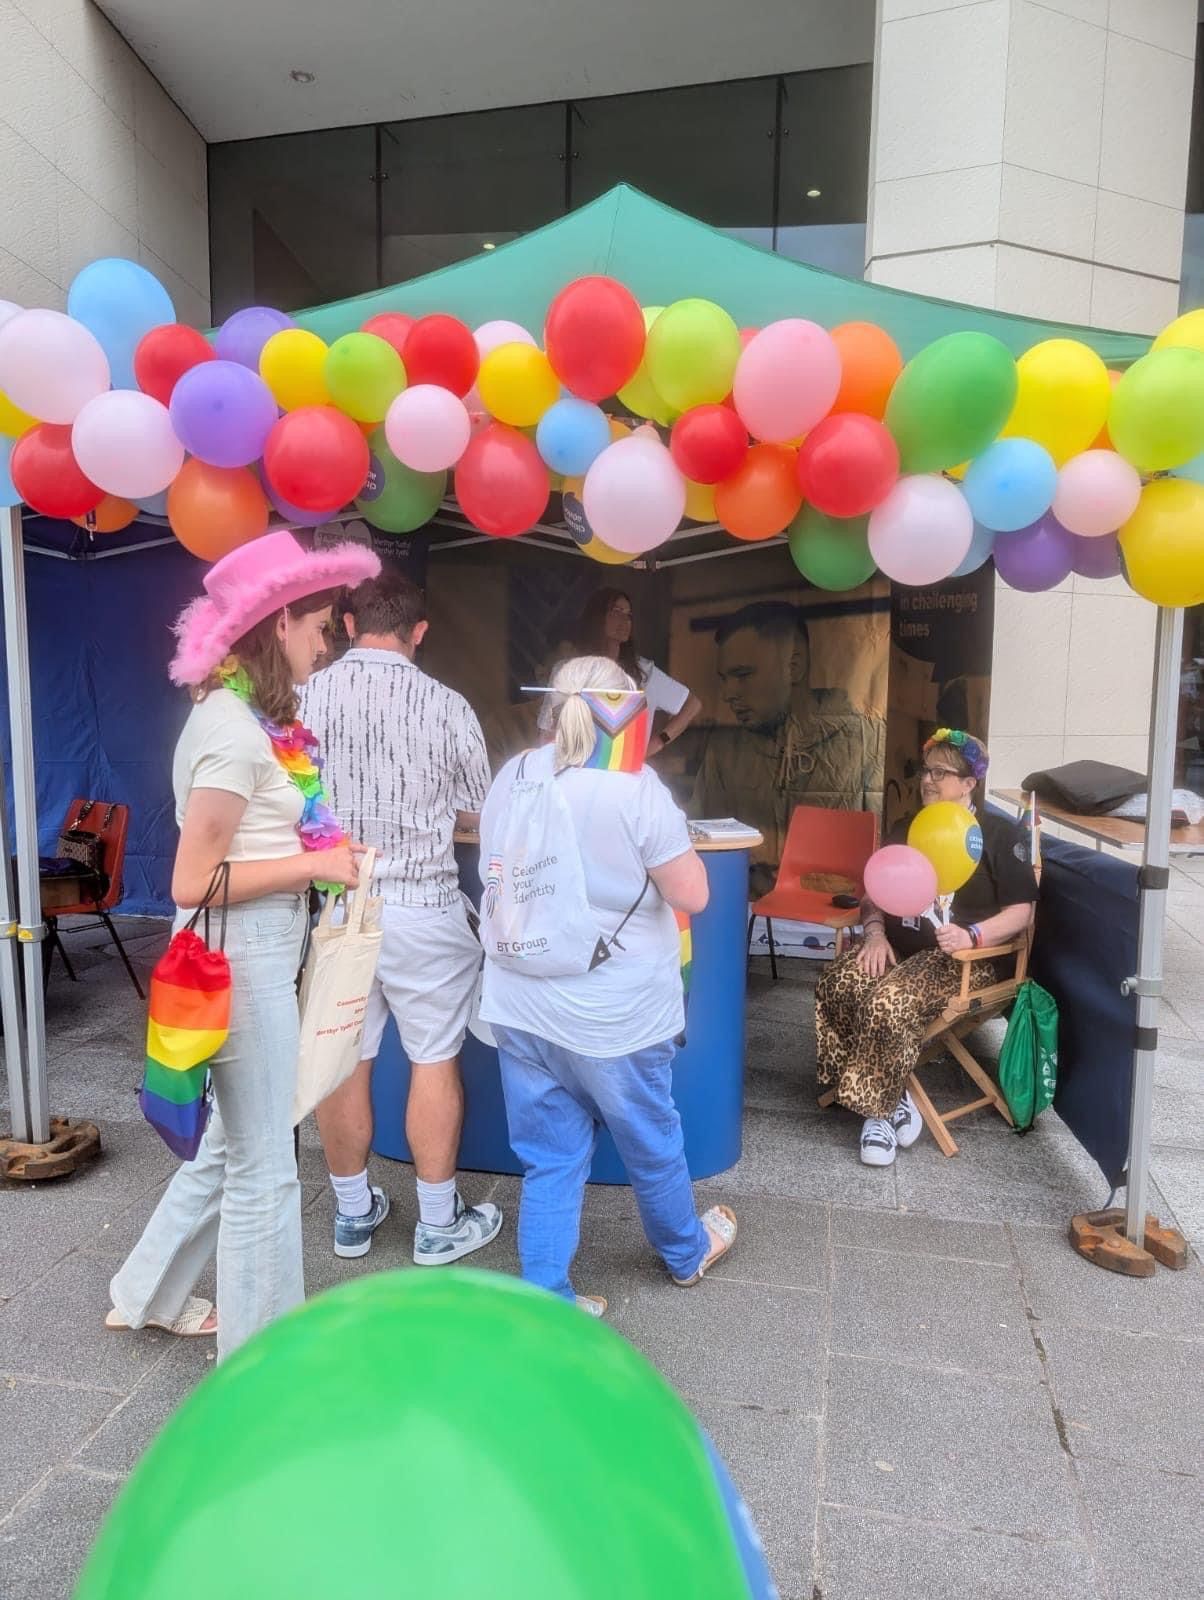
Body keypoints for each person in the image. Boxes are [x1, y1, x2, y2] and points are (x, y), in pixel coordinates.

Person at [106, 530, 378, 1361]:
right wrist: (317, 862)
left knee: (232, 1145)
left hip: (255, 946)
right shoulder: (232, 729)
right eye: (321, 625)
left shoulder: (247, 720)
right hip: (242, 953)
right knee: (266, 1166)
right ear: (282, 620)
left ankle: (144, 1292)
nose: (325, 643)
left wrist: (319, 862)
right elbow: (192, 880)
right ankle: (262, 1366)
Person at [479, 654, 736, 1316]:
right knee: (651, 1138)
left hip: (519, 1001)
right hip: (611, 1016)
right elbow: (695, 894)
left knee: (549, 1156)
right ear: (621, 713)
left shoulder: (516, 775)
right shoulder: (635, 789)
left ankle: (547, 1295)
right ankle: (685, 1253)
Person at [300, 571, 503, 1265]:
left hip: (341, 902)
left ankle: (353, 1216)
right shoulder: (447, 704)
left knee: (341, 1058)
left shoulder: (305, 695)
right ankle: (438, 1225)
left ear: (350, 624)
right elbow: (481, 808)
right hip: (425, 908)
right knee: (434, 1058)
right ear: (419, 632)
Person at [815, 730, 1038, 1167]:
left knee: (887, 1002)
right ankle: (893, 1091)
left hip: (966, 962)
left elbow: (1021, 913)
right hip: (899, 948)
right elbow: (874, 893)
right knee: (837, 983)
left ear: (969, 783)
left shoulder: (997, 834)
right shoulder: (908, 827)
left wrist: (972, 936)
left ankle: (876, 1112)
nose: (928, 781)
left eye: (941, 772)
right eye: (926, 770)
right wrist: (876, 933)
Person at [690, 601, 884, 894]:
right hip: (743, 909)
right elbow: (703, 839)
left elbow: (885, 846)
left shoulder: (865, 740)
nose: (729, 694)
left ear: (793, 667)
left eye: (743, 675)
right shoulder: (724, 751)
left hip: (842, 912)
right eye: (724, 679)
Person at [569, 588, 701, 756]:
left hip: (628, 774)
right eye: (617, 612)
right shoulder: (574, 669)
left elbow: (692, 705)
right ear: (597, 617)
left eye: (629, 615)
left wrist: (658, 742)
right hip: (583, 771)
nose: (625, 620)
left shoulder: (644, 671)